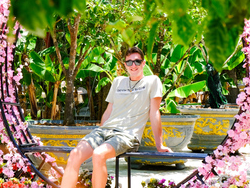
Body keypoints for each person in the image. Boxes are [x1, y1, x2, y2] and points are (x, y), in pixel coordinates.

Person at [60, 46, 172, 188]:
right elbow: (108, 111)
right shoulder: (118, 81)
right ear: (125, 64)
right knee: (75, 155)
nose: (133, 65)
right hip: (105, 131)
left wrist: (159, 145)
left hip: (127, 135)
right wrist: (99, 133)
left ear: (143, 63)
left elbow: (154, 112)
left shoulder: (152, 81)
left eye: (137, 61)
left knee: (99, 154)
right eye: (129, 62)